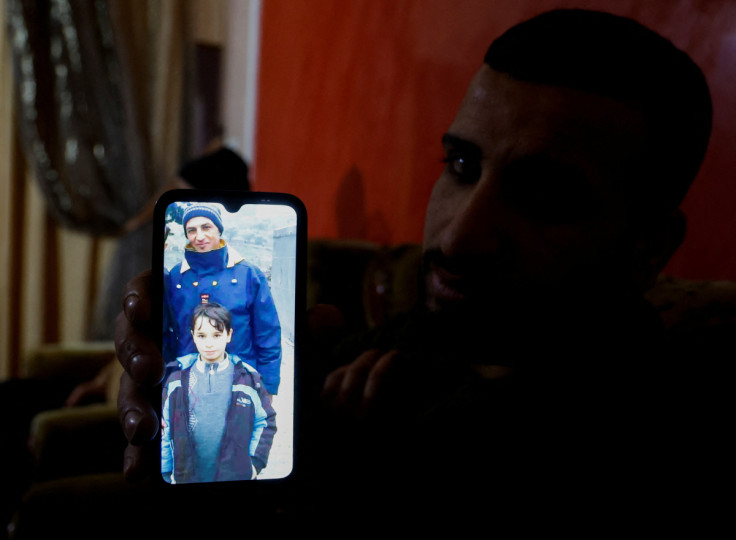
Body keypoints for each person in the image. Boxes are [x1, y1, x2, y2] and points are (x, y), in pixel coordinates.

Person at [116, 8, 716, 530]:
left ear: (648, 247)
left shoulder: (629, 438)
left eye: (545, 196)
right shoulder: (423, 337)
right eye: (461, 163)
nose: (459, 236)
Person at [164, 203, 283, 396]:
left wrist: (268, 387)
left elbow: (267, 334)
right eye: (191, 230)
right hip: (188, 386)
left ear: (219, 228)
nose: (199, 236)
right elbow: (167, 334)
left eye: (206, 227)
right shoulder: (176, 277)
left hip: (241, 384)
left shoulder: (249, 275)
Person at [162, 302, 276, 483]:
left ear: (229, 335)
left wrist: (255, 463)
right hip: (188, 477)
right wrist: (165, 471)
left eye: (217, 335)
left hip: (235, 476)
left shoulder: (248, 379)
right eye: (201, 335)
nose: (209, 343)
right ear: (193, 336)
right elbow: (165, 428)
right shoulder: (176, 381)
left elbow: (265, 421)